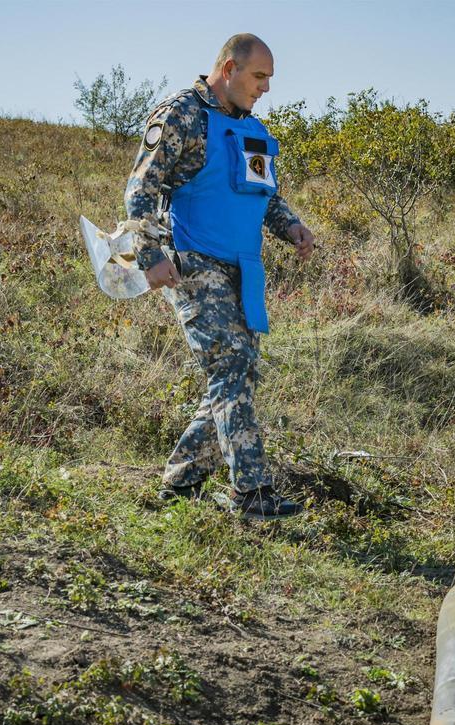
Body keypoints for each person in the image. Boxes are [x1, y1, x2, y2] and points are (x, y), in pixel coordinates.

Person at [123, 33, 314, 520]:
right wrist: (149, 256)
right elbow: (140, 190)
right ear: (229, 70)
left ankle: (180, 481)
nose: (265, 88)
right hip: (193, 263)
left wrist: (290, 225)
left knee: (240, 371)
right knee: (232, 366)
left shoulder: (251, 129)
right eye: (259, 77)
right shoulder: (181, 114)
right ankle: (252, 495)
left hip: (244, 270)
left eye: (269, 79)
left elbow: (263, 194)